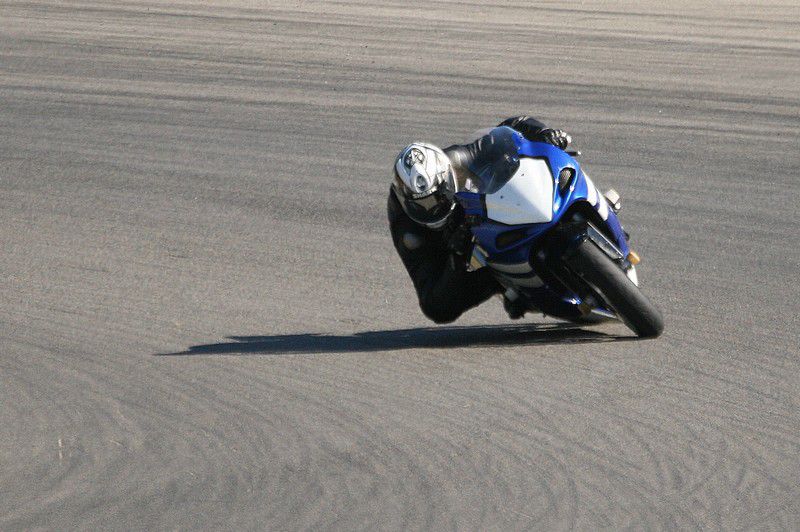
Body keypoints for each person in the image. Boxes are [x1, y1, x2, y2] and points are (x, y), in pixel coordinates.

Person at [387, 116, 572, 323]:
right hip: (455, 249)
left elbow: (508, 129)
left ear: (446, 176)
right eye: (422, 205)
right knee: (436, 308)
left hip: (489, 208)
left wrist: (542, 133)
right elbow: (430, 293)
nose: (433, 206)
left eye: (437, 196)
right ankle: (508, 283)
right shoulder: (408, 229)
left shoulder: (458, 159)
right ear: (406, 200)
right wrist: (456, 258)